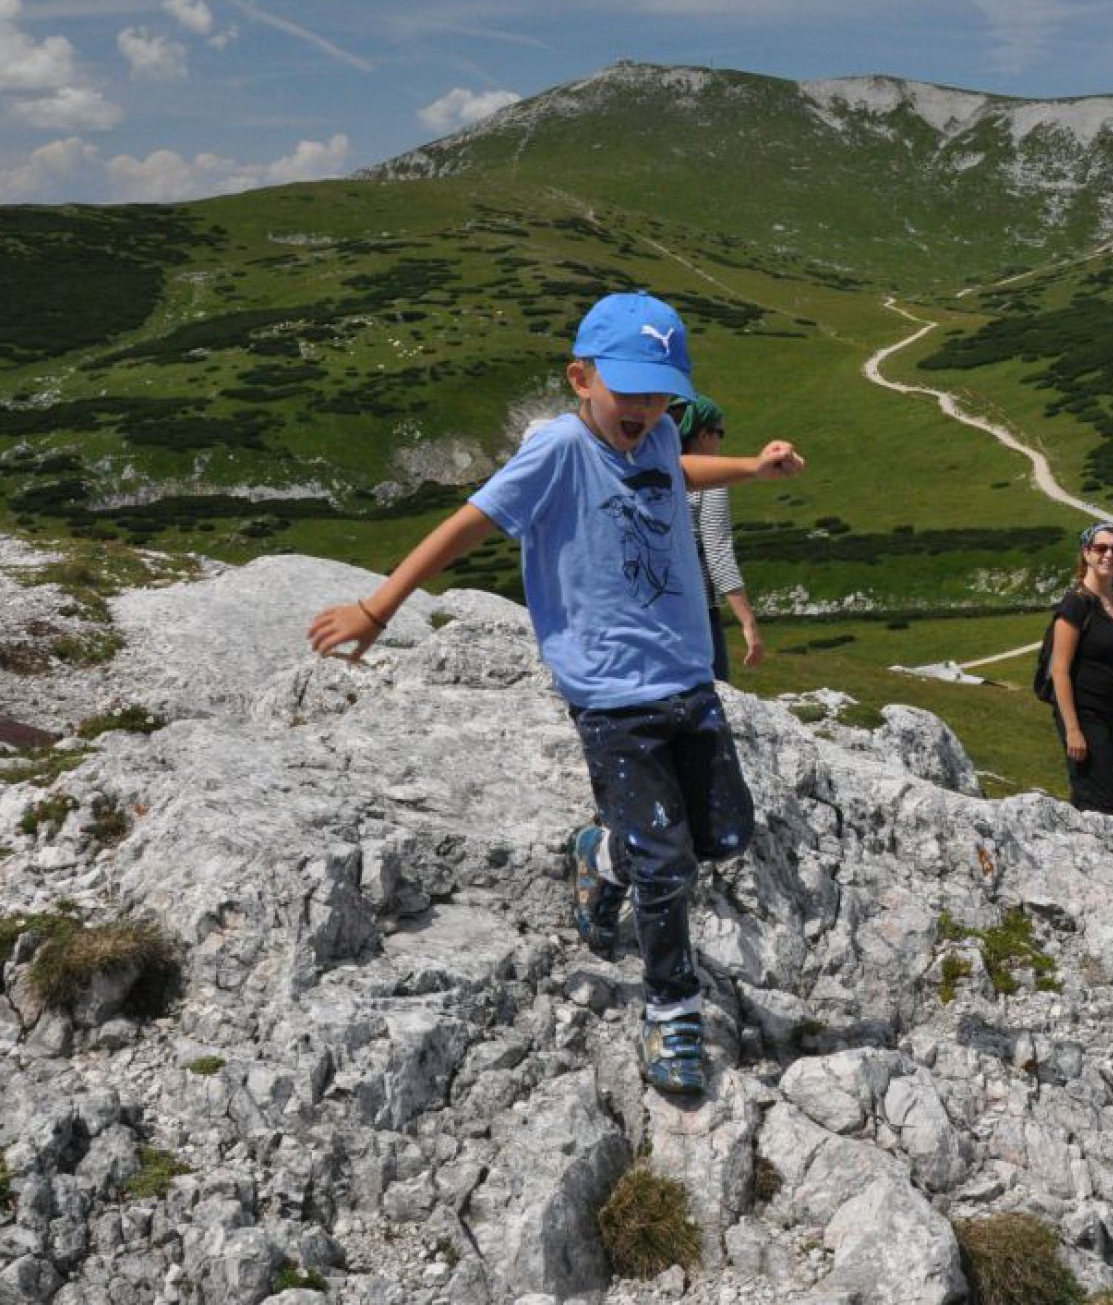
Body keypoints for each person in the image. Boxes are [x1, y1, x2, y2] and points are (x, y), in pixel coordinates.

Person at [306, 292, 805, 1099]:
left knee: (723, 834)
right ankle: (672, 1004)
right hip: (611, 694)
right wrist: (378, 606)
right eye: (628, 391)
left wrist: (748, 467)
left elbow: (675, 470)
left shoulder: (662, 433)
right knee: (668, 864)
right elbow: (466, 524)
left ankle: (599, 854)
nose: (644, 408)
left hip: (685, 675)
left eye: (658, 392)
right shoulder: (558, 452)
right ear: (581, 378)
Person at [1045, 522, 1113, 815]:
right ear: (1086, 553)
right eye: (1101, 548)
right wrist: (1073, 730)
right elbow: (1059, 670)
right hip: (1083, 712)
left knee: (1090, 795)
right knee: (1099, 799)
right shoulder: (1076, 605)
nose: (1108, 555)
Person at [673, 394, 764, 680]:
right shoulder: (710, 483)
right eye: (719, 433)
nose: (720, 442)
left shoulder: (656, 470)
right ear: (703, 434)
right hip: (698, 608)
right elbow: (719, 554)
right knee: (711, 700)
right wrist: (749, 624)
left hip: (655, 607)